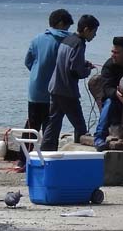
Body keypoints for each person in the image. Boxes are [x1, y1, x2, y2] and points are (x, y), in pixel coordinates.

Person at [19, 9, 73, 168]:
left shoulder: (37, 39)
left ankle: (22, 161)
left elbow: (28, 62)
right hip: (56, 91)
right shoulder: (68, 42)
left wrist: (38, 73)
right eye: (67, 26)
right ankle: (47, 161)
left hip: (35, 89)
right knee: (51, 128)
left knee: (31, 126)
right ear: (61, 24)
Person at [40, 14, 99, 151]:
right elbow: (74, 70)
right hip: (67, 91)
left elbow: (66, 60)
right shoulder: (79, 43)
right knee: (80, 126)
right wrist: (87, 71)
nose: (94, 36)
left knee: (53, 124)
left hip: (55, 88)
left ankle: (45, 153)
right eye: (94, 32)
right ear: (86, 30)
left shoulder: (68, 39)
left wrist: (84, 63)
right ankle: (80, 155)